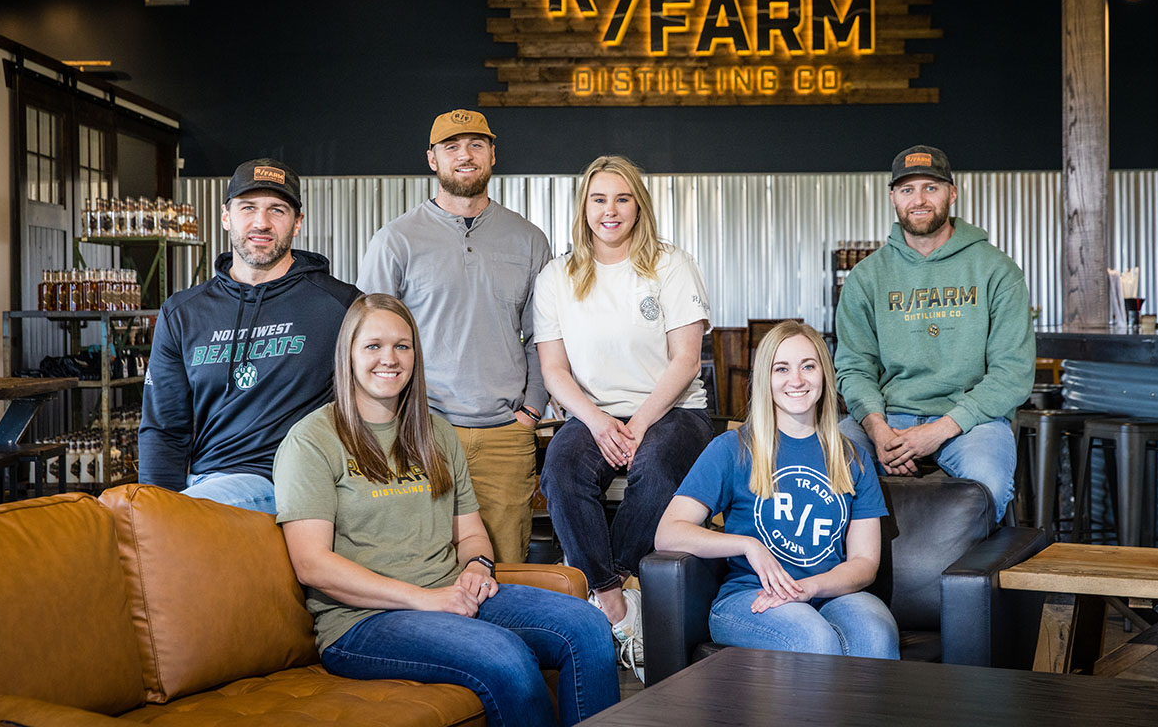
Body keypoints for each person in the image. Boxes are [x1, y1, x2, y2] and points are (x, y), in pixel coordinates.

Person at [273, 294, 619, 727]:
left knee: (586, 625)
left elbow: (471, 533)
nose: (390, 358)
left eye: (402, 346)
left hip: (449, 595)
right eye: (373, 346)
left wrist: (477, 566)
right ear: (348, 354)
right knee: (505, 656)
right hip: (362, 623)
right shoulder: (312, 440)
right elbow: (312, 565)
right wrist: (425, 600)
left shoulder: (434, 432)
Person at [534, 155, 714, 679]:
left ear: (639, 205)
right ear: (583, 207)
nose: (609, 211)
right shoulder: (557, 276)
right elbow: (553, 369)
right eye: (598, 199)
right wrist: (595, 422)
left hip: (673, 409)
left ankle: (612, 583)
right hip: (594, 414)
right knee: (561, 469)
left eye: (622, 198)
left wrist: (637, 427)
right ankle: (616, 600)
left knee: (656, 467)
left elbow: (686, 359)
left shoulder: (670, 264)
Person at [356, 109, 550, 564]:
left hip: (506, 436)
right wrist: (393, 420)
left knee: (507, 567)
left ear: (492, 154)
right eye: (452, 146)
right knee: (423, 563)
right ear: (432, 159)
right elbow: (368, 337)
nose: (465, 155)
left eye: (476, 145)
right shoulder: (395, 240)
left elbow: (543, 336)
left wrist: (530, 411)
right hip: (421, 431)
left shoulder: (528, 240)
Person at [656, 321, 899, 659]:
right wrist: (748, 545)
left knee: (876, 634)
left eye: (808, 366)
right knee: (813, 639)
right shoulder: (732, 449)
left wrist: (811, 586)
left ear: (824, 375)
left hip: (830, 594)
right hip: (750, 596)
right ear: (765, 380)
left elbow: (864, 562)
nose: (796, 380)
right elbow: (668, 533)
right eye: (781, 368)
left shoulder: (852, 457)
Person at [138, 158, 359, 513]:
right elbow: (164, 428)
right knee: (119, 514)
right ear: (226, 216)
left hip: (287, 484)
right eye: (248, 208)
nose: (261, 222)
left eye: (277, 210)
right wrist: (151, 509)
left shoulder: (340, 306)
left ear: (297, 222)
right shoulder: (183, 313)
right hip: (203, 487)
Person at [834, 145, 1034, 521]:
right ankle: (860, 574)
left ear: (952, 193)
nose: (919, 200)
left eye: (931, 187)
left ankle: (958, 578)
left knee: (987, 483)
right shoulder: (867, 276)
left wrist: (938, 431)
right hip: (887, 417)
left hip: (970, 422)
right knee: (825, 470)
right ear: (893, 196)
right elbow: (854, 367)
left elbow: (1013, 374)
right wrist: (878, 430)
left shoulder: (996, 270)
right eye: (907, 190)